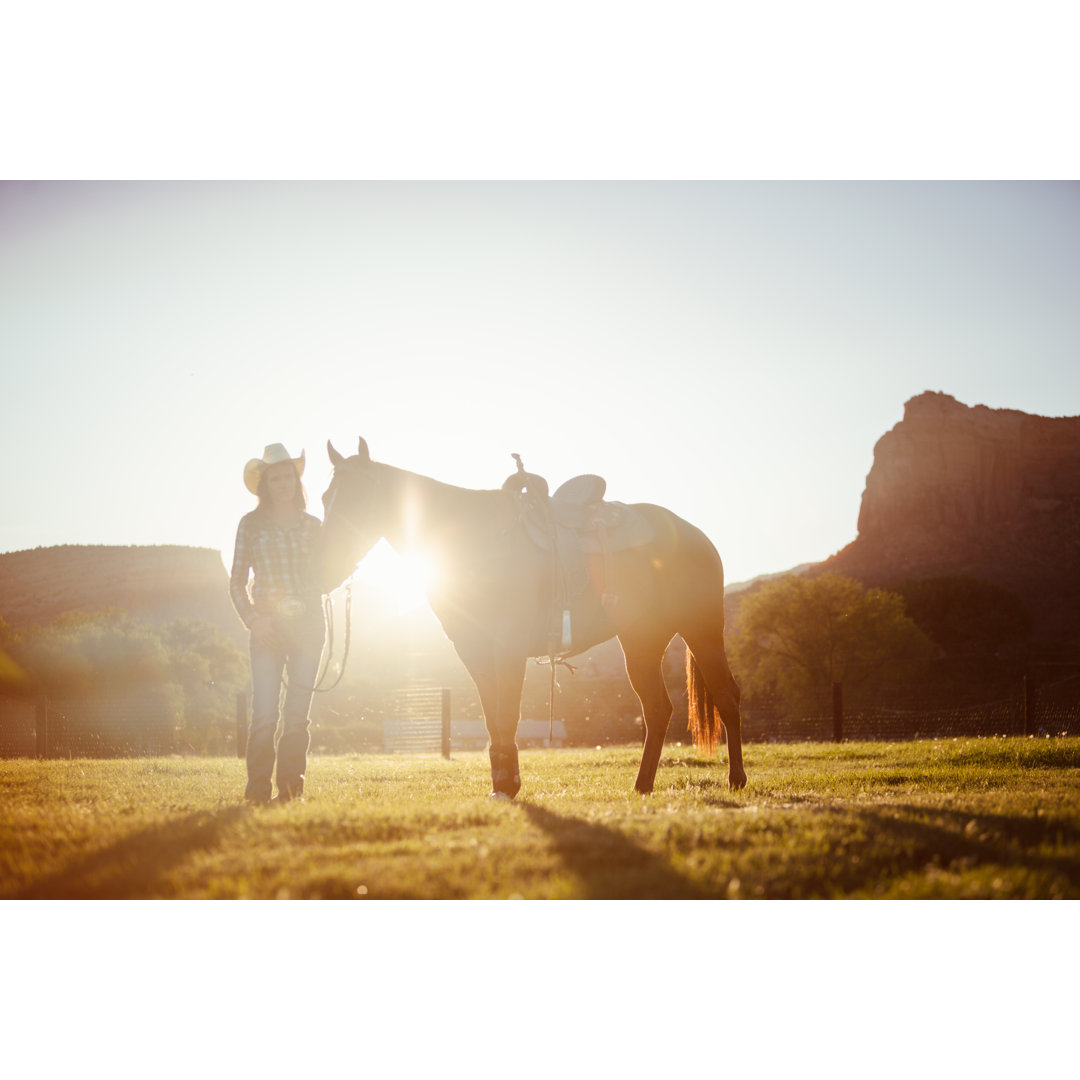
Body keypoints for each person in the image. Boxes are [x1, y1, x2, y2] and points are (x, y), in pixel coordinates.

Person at [230, 443, 325, 804]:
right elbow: (237, 581)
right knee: (266, 713)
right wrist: (255, 621)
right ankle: (257, 793)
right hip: (267, 630)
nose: (283, 483)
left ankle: (290, 793)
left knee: (297, 716)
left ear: (296, 480)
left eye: (288, 476)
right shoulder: (250, 525)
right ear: (264, 484)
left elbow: (325, 575)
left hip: (309, 629)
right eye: (275, 478)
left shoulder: (313, 526)